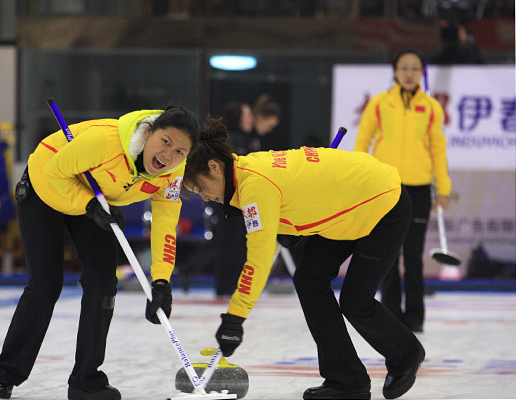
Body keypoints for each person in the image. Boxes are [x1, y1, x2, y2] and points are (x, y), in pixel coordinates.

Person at [182, 118, 425, 400]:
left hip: (383, 202)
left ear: (214, 167)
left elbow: (258, 262)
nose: (205, 198)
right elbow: (301, 193)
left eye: (200, 188)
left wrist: (235, 318)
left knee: (356, 301)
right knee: (309, 279)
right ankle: (347, 380)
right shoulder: (247, 171)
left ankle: (406, 353)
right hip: (346, 205)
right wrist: (289, 226)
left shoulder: (254, 186)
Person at [0, 106, 199, 400]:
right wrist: (87, 205)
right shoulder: (106, 142)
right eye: (165, 142)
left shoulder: (172, 173)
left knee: (103, 284)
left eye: (180, 151)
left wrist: (162, 281)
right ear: (149, 133)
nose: (169, 156)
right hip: (47, 185)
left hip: (96, 199)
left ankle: (86, 381)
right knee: (46, 286)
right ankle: (6, 372)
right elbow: (54, 172)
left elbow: (165, 223)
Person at [354, 50, 452, 333]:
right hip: (386, 187)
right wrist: (360, 180)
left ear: (422, 72)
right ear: (395, 71)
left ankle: (416, 317)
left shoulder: (432, 107)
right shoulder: (379, 104)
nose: (409, 73)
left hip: (420, 189)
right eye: (404, 67)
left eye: (415, 68)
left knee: (413, 256)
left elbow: (438, 150)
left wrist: (443, 189)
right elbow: (362, 143)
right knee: (387, 254)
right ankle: (391, 314)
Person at [213, 101, 254, 296]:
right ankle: (225, 286)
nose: (250, 119)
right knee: (229, 242)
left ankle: (231, 285)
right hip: (229, 199)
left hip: (240, 199)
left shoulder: (245, 138)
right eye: (246, 115)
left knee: (237, 243)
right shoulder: (231, 140)